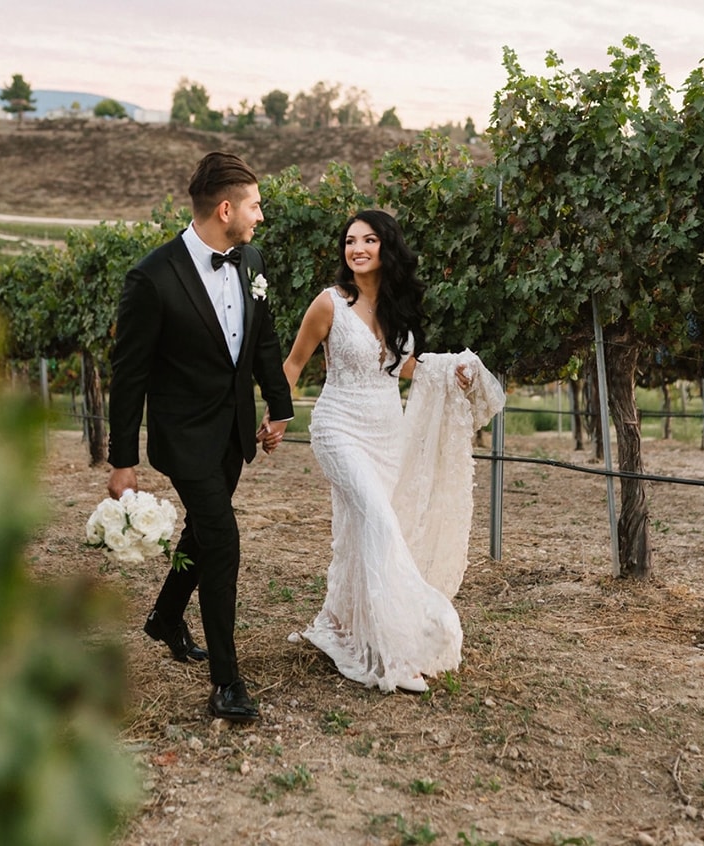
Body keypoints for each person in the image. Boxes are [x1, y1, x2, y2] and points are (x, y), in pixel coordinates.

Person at [265, 209, 504, 693]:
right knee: (379, 521)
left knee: (360, 531)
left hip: (386, 434)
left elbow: (404, 367)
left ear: (385, 248)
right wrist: (274, 416)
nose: (357, 248)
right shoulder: (328, 304)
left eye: (368, 240)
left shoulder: (398, 310)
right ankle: (395, 650)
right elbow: (291, 365)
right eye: (350, 241)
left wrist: (449, 371)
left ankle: (342, 624)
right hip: (338, 428)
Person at [107, 151, 293, 722]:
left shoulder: (251, 259)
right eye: (256, 206)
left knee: (202, 534)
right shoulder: (152, 277)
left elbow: (262, 341)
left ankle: (166, 616)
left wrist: (279, 407)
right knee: (223, 540)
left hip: (233, 432)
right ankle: (226, 683)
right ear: (226, 208)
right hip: (183, 437)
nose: (261, 216)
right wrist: (122, 460)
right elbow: (129, 372)